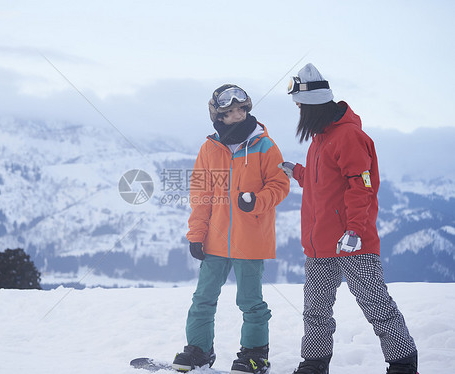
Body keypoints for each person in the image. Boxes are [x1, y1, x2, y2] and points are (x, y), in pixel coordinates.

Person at [278, 63, 418, 374]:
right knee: (315, 311)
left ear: (313, 105)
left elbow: (361, 186)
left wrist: (354, 230)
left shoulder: (348, 136)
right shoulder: (320, 140)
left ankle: (403, 363)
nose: (298, 110)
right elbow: (325, 183)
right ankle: (314, 364)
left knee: (377, 306)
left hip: (353, 243)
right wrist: (297, 172)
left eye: (300, 105)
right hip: (319, 245)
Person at [172, 84, 290, 374]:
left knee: (250, 301)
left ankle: (254, 354)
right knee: (203, 299)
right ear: (218, 116)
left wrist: (257, 201)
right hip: (214, 240)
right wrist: (196, 235)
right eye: (230, 111)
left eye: (241, 109)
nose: (237, 115)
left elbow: (280, 185)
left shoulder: (264, 145)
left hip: (249, 240)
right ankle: (199, 350)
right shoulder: (210, 148)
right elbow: (200, 196)